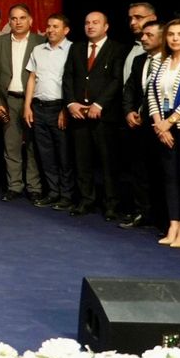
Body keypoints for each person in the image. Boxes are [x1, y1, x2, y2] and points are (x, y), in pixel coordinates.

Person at [63, 11, 129, 219]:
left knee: (108, 162)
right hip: (78, 114)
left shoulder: (117, 49)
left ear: (106, 27)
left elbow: (117, 80)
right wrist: (71, 103)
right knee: (82, 161)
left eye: (95, 22)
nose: (90, 26)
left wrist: (99, 104)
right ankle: (86, 200)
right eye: (87, 23)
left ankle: (111, 204)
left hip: (104, 115)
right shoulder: (76, 48)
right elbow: (68, 77)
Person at [0, 4, 45, 202]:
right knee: (11, 146)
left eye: (22, 18)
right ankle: (14, 186)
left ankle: (34, 187)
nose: (18, 22)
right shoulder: (0, 42)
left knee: (32, 146)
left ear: (30, 20)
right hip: (8, 100)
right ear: (9, 22)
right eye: (13, 18)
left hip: (33, 101)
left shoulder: (41, 42)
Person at [24, 14, 74, 210]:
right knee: (45, 154)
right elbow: (32, 78)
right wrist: (27, 106)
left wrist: (65, 109)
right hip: (39, 107)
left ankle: (67, 195)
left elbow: (72, 83)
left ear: (66, 30)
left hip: (60, 108)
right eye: (48, 26)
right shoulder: (38, 49)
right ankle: (53, 192)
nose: (50, 30)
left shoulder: (73, 50)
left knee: (63, 154)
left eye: (55, 26)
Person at [148, 18, 180, 247]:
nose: (175, 38)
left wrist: (169, 122)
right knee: (170, 178)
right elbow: (152, 96)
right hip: (164, 126)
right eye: (171, 34)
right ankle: (173, 224)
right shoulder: (161, 63)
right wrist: (159, 125)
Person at [121, 20, 162, 228]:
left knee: (160, 172)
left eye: (149, 35)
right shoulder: (139, 60)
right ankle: (141, 212)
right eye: (143, 35)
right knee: (139, 171)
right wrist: (129, 110)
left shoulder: (171, 62)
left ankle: (162, 216)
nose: (143, 38)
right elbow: (129, 88)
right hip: (138, 126)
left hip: (161, 126)